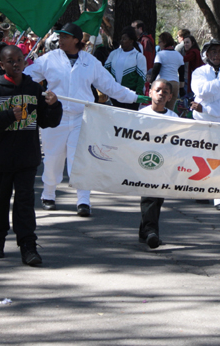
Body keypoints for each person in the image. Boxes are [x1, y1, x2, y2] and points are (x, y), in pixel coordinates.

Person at [26, 22, 146, 216]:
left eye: (65, 37)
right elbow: (26, 77)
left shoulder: (90, 62)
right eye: (60, 36)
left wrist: (134, 97)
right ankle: (48, 194)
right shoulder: (49, 59)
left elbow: (110, 86)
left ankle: (83, 200)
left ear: (76, 40)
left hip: (81, 118)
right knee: (52, 158)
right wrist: (6, 83)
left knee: (80, 160)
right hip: (54, 117)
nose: (60, 40)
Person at [0, 45, 62, 266]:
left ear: (25, 62)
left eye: (20, 59)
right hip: (1, 158)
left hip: (27, 157)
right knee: (1, 200)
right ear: (1, 64)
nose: (16, 64)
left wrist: (54, 106)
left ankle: (28, 245)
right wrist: (7, 116)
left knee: (25, 203)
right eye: (10, 61)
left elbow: (47, 121)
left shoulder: (34, 89)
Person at [190, 39, 220, 210]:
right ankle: (202, 190)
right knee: (202, 156)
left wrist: (205, 108)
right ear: (207, 54)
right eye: (213, 51)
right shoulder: (199, 72)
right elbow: (201, 91)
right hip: (202, 122)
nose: (217, 55)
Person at [137, 79, 178, 249]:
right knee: (150, 196)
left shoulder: (173, 118)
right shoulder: (141, 115)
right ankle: (151, 232)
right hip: (146, 162)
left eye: (165, 92)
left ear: (170, 97)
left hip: (164, 164)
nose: (161, 94)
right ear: (150, 92)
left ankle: (144, 232)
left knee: (157, 199)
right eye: (158, 90)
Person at [104, 26, 146, 110]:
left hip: (131, 95)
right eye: (121, 39)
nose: (121, 41)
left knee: (129, 117)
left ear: (131, 41)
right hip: (115, 93)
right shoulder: (114, 53)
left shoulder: (138, 57)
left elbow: (142, 77)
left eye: (124, 39)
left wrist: (138, 94)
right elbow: (105, 70)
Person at [149, 32, 183, 111]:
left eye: (159, 42)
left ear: (164, 42)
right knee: (170, 110)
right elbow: (181, 73)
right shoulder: (179, 55)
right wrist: (181, 88)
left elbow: (155, 70)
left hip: (163, 84)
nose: (158, 44)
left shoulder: (160, 54)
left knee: (158, 109)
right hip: (175, 84)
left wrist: (151, 83)